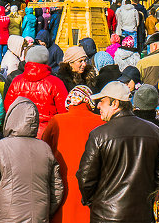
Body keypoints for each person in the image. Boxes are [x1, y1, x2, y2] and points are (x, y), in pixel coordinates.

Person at [76, 81, 159, 223]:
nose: (98, 106)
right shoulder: (155, 131)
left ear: (115, 104)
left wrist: (95, 203)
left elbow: (85, 177)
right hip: (143, 214)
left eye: (102, 101)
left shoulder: (99, 135)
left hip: (107, 215)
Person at [0, 97, 63, 223]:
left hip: (4, 218)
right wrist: (45, 212)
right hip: (38, 217)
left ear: (11, 118)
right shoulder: (45, 149)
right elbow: (57, 188)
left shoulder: (0, 147)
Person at [41, 86, 103, 223]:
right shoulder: (101, 122)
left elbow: (44, 150)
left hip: (62, 186)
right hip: (92, 186)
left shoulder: (56, 120)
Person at [3, 45, 66, 136]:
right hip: (47, 133)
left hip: (20, 131)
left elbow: (8, 107)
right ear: (46, 61)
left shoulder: (16, 81)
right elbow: (63, 111)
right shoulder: (56, 83)